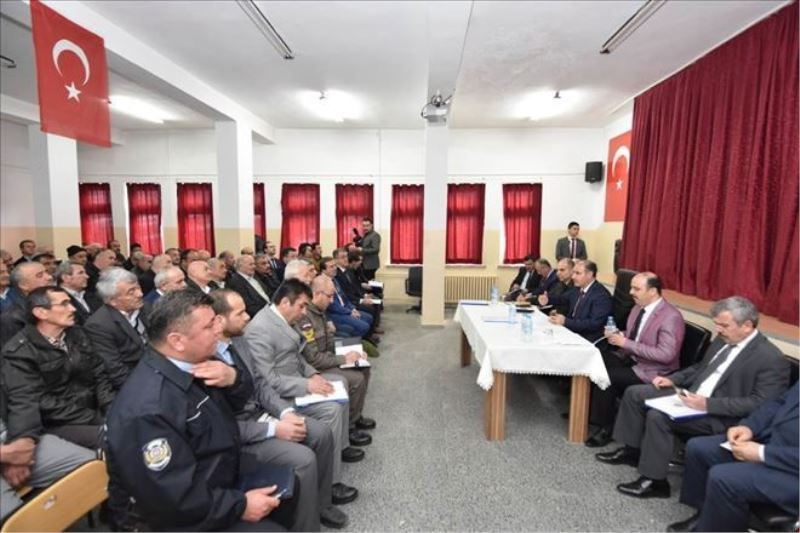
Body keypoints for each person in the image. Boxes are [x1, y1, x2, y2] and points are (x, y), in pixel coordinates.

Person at [104, 291, 292, 532]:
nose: (218, 329)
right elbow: (173, 497)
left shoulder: (194, 363)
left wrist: (233, 378)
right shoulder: (147, 409)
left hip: (216, 471)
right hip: (177, 515)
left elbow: (237, 405)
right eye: (209, 326)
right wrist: (240, 505)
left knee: (290, 484)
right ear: (177, 341)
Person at [596, 296, 790, 498]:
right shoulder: (723, 339)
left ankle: (654, 481)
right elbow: (700, 368)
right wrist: (673, 379)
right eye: (717, 324)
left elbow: (761, 404)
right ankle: (632, 451)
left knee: (658, 417)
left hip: (720, 414)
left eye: (724, 325)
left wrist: (708, 404)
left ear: (747, 326)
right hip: (692, 395)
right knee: (635, 393)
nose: (718, 330)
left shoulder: (771, 359)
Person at [211, 290, 350, 530]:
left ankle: (322, 504)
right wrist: (274, 428)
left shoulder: (238, 341)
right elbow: (223, 425)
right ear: (219, 320)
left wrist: (285, 413)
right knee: (304, 459)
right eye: (240, 313)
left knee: (321, 433)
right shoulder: (207, 361)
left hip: (263, 412)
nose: (248, 317)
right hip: (243, 433)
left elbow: (261, 385)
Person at [242, 280, 364, 490]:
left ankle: (340, 447)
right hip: (281, 395)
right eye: (301, 306)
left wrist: (313, 374)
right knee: (332, 408)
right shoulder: (259, 330)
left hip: (297, 379)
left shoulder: (283, 318)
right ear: (284, 302)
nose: (304, 312)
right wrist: (307, 385)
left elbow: (297, 357)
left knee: (338, 385)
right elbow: (268, 380)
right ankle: (331, 483)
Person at [667, 382, 799, 532]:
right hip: (775, 443)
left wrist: (762, 453)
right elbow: (779, 402)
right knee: (698, 448)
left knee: (723, 478)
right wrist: (749, 427)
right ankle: (706, 516)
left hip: (792, 469)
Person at [1, 287, 115, 449]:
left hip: (93, 412)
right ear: (41, 313)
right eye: (64, 304)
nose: (73, 308)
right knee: (116, 436)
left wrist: (110, 409)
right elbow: (41, 402)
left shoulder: (77, 334)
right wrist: (97, 418)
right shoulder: (20, 352)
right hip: (57, 423)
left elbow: (99, 374)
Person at [585, 273, 684, 447]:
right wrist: (619, 334)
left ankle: (605, 428)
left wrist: (625, 343)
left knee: (607, 376)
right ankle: (585, 410)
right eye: (631, 287)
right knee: (594, 359)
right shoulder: (638, 307)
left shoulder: (671, 317)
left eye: (636, 289)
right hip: (630, 358)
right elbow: (635, 335)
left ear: (652, 291)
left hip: (653, 371)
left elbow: (666, 354)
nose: (631, 292)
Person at [297, 275, 375, 443]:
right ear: (317, 294)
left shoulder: (320, 312)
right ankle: (349, 427)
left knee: (363, 366)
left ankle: (356, 414)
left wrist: (354, 351)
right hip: (315, 368)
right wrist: (343, 359)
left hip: (327, 358)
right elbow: (313, 359)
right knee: (355, 378)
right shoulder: (305, 317)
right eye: (330, 296)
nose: (332, 300)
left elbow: (330, 342)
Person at [0, 417, 95, 521]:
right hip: (6, 453)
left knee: (95, 466)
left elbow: (23, 409)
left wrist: (22, 445)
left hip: (15, 438)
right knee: (15, 521)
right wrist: (6, 455)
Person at [84, 268, 148, 390]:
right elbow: (115, 370)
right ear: (112, 301)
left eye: (138, 288)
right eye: (131, 292)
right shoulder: (99, 325)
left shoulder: (146, 308)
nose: (140, 294)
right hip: (135, 382)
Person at [540, 260, 612, 342]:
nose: (573, 277)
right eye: (573, 273)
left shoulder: (601, 295)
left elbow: (594, 324)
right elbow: (562, 299)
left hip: (587, 339)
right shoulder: (577, 288)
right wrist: (548, 299)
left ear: (589, 274)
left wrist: (566, 322)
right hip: (572, 332)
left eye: (577, 273)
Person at [0, 262, 53, 348]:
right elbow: (14, 352)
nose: (49, 277)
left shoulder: (57, 302)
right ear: (23, 285)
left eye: (47, 272)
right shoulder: (12, 318)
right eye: (40, 275)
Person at [54, 261, 101, 326]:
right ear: (66, 278)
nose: (87, 276)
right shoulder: (57, 299)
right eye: (80, 273)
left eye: (85, 273)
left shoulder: (92, 296)